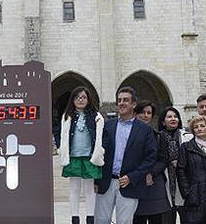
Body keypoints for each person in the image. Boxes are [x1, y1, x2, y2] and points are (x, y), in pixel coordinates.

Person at [94, 87, 157, 224]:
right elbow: (99, 152)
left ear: (134, 104)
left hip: (130, 184)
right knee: (100, 220)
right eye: (119, 100)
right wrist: (96, 180)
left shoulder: (145, 130)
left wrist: (132, 177)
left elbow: (150, 158)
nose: (121, 103)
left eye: (126, 100)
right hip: (106, 182)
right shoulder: (107, 126)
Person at [58, 87, 105, 224]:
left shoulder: (96, 116)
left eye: (84, 97)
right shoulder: (67, 116)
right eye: (77, 97)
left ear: (88, 99)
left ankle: (90, 217)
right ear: (72, 100)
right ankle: (75, 218)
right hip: (73, 156)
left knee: (89, 189)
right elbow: (62, 135)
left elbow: (101, 136)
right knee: (74, 189)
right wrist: (62, 150)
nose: (81, 100)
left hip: (90, 156)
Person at [133, 101, 170, 224]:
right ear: (135, 114)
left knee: (156, 218)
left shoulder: (159, 136)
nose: (146, 115)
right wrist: (142, 173)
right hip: (136, 182)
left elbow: (163, 159)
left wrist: (151, 173)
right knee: (137, 218)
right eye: (142, 112)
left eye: (149, 113)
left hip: (154, 182)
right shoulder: (129, 135)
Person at [156, 107, 192, 224]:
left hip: (184, 184)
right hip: (165, 183)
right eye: (169, 116)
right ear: (163, 121)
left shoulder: (187, 136)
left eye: (175, 116)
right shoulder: (158, 137)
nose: (173, 119)